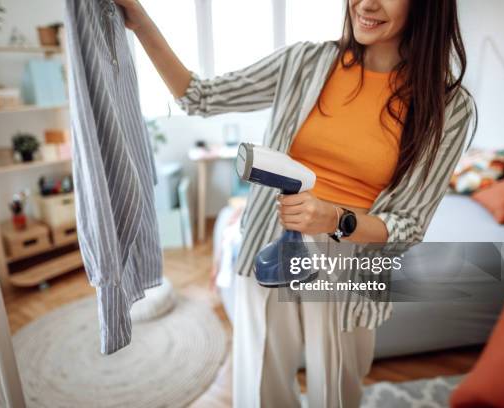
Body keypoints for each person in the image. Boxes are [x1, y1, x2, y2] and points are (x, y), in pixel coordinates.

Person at [113, 0, 476, 406]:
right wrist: (141, 24)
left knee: (335, 392)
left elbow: (408, 224)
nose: (366, 4)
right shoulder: (306, 61)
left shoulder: (449, 108)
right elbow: (198, 96)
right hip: (271, 243)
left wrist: (335, 218)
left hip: (352, 263)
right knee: (259, 386)